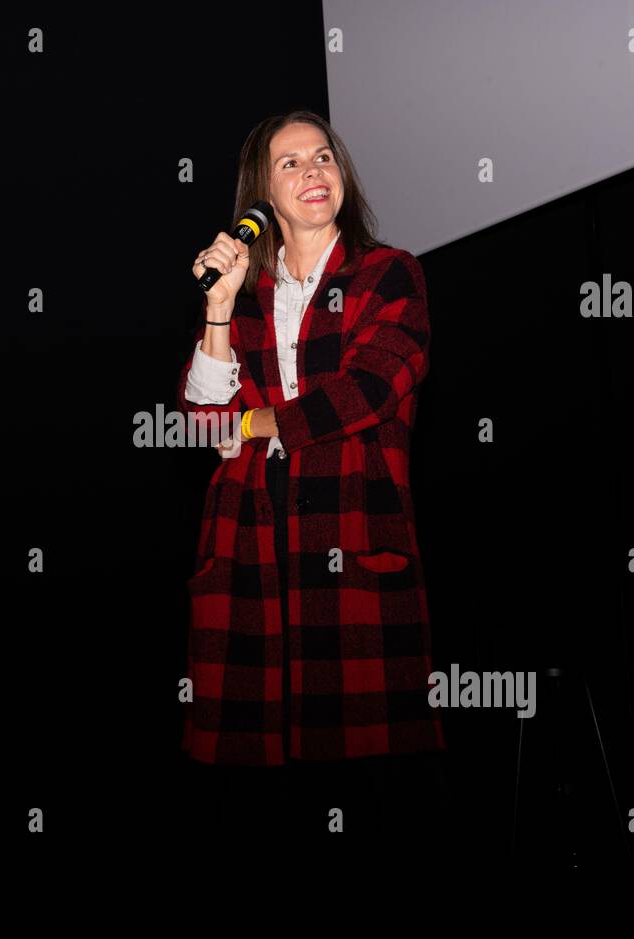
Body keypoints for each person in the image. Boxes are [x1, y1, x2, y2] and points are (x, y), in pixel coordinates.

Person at [176, 110, 452, 837]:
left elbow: (371, 388)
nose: (314, 172)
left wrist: (257, 422)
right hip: (248, 554)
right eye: (292, 163)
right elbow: (202, 422)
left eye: (324, 157)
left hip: (350, 536)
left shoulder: (389, 273)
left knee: (369, 789)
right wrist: (217, 306)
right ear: (260, 196)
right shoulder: (248, 298)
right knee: (259, 805)